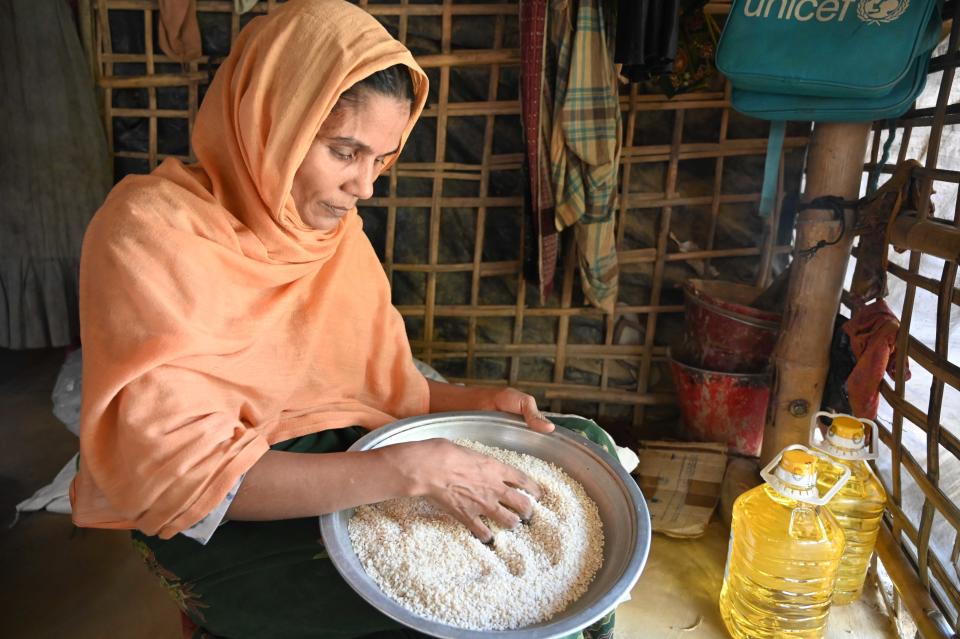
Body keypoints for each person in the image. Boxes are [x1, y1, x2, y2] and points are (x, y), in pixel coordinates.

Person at [71, 1, 617, 637]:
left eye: (381, 158)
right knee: (458, 609)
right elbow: (183, 483)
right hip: (219, 515)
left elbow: (348, 396)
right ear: (270, 120)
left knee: (583, 453)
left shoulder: (330, 234)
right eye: (343, 151)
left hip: (344, 461)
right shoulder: (151, 233)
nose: (366, 187)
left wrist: (470, 402)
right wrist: (408, 472)